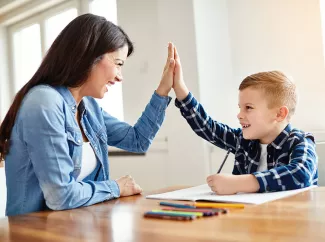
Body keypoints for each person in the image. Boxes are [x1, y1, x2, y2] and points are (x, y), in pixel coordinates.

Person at [0, 14, 176, 216]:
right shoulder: (44, 102)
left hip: (80, 227)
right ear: (89, 56)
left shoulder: (88, 107)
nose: (120, 76)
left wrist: (163, 89)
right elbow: (61, 196)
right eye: (118, 63)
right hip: (35, 233)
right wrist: (116, 187)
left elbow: (138, 140)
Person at [171, 47, 318, 195]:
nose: (239, 115)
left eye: (248, 107)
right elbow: (208, 127)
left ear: (279, 114)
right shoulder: (243, 140)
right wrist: (180, 89)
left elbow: (300, 174)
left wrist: (238, 183)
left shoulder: (300, 141)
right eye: (240, 108)